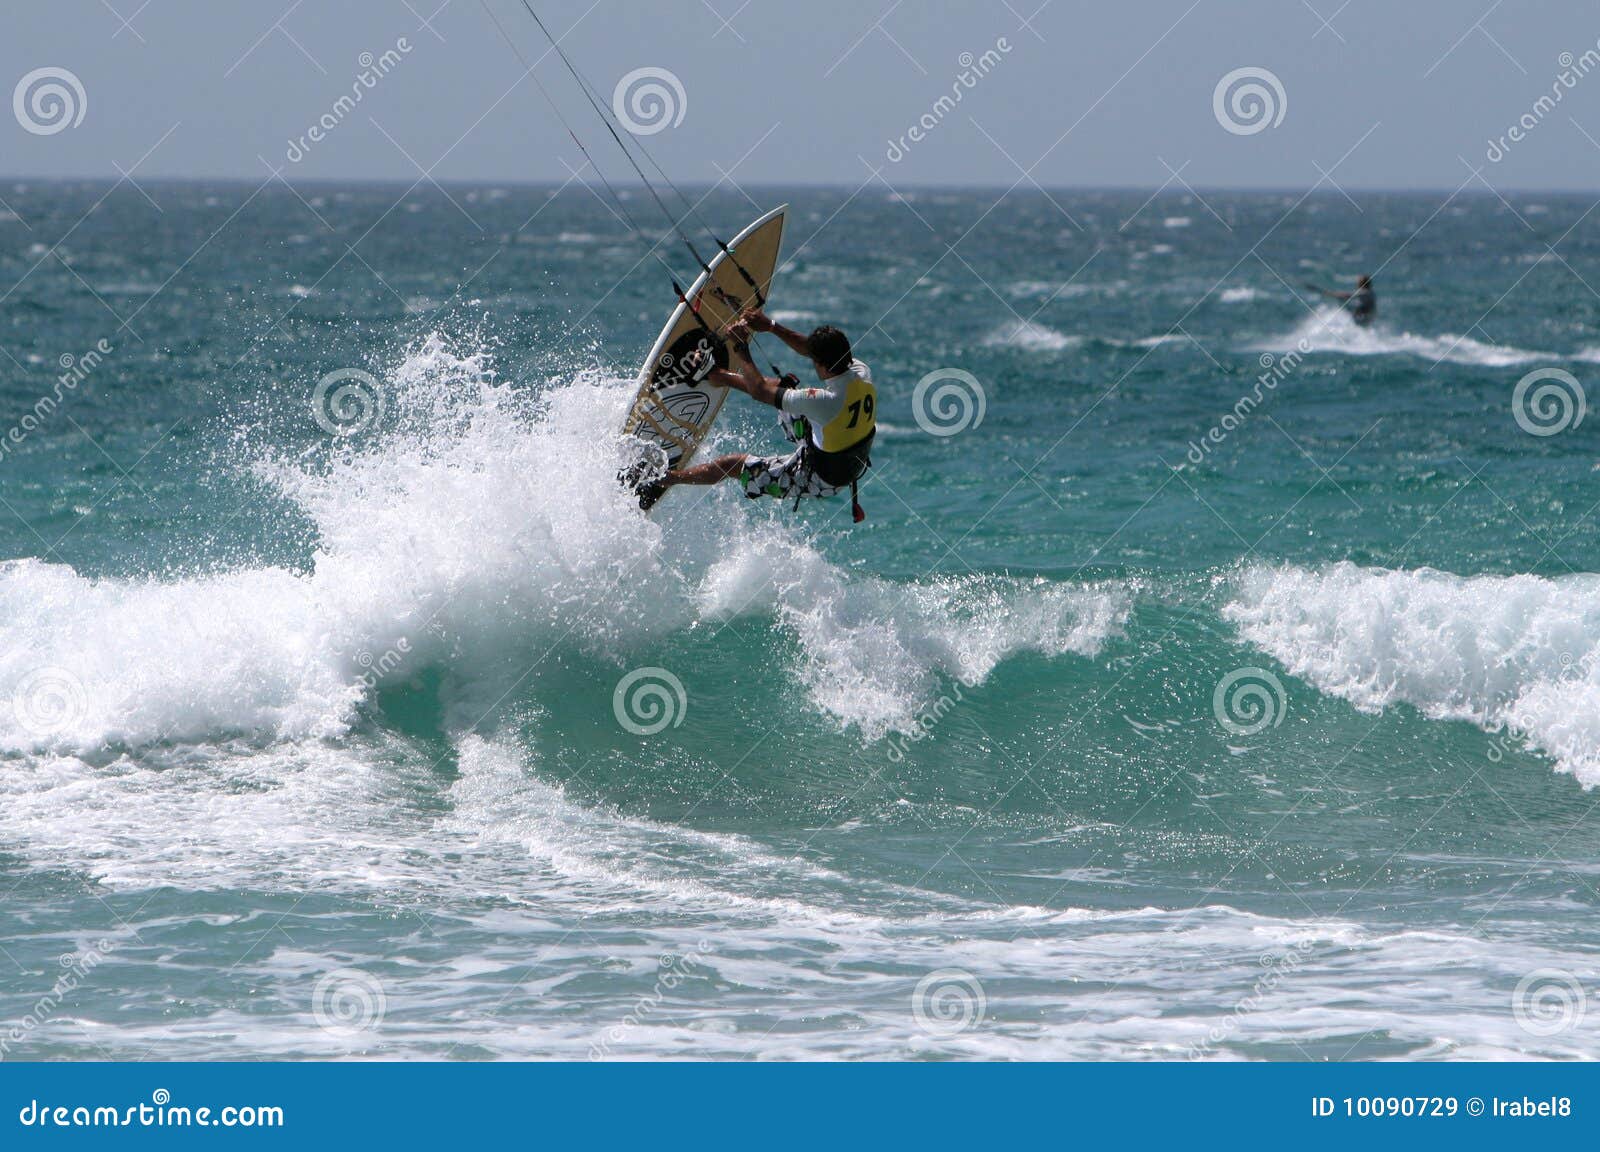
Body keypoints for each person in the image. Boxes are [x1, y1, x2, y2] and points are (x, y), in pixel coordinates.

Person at [647, 309, 877, 520]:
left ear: (822, 365)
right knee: (782, 387)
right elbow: (810, 350)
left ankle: (667, 479)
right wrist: (771, 326)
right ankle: (717, 376)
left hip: (820, 477)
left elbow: (760, 391)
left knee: (732, 464)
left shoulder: (824, 402)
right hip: (831, 440)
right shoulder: (859, 371)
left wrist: (741, 347)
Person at [1308, 274, 1376, 327]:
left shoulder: (1367, 292)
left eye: (1359, 282)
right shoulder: (1369, 292)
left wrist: (1331, 294)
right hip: (1365, 317)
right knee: (1346, 303)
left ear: (1362, 283)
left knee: (1344, 302)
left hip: (1365, 318)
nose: (1357, 283)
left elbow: (1350, 295)